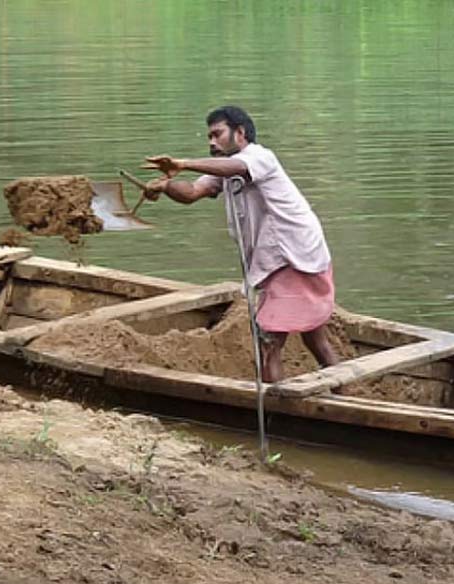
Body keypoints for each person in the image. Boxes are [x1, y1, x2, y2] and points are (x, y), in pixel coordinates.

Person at [142, 105, 339, 383]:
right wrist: (164, 186)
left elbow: (236, 168)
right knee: (314, 337)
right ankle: (340, 393)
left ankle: (277, 410)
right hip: (281, 258)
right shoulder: (221, 171)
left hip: (293, 256)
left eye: (217, 134)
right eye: (208, 137)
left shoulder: (259, 157)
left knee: (269, 342)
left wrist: (183, 163)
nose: (212, 142)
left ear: (241, 133)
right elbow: (192, 192)